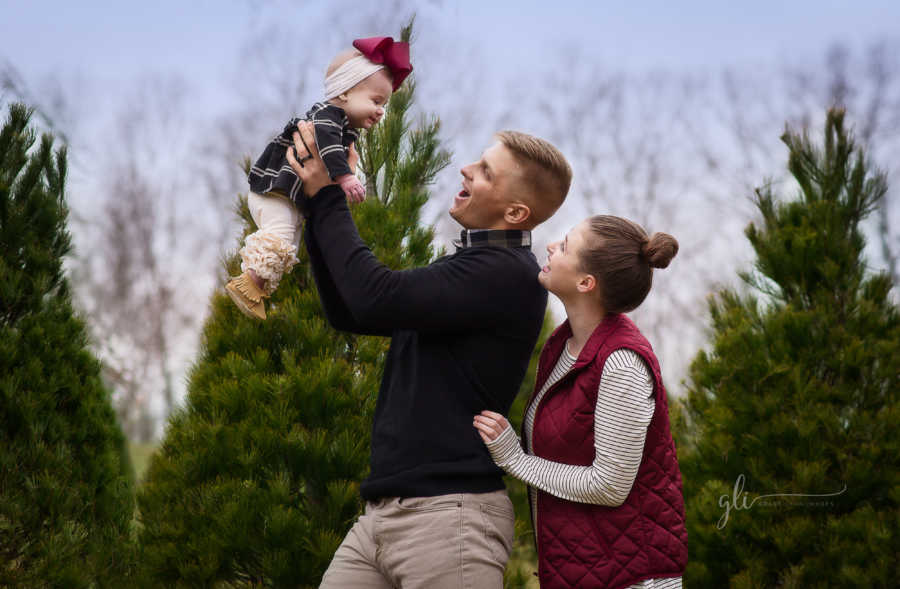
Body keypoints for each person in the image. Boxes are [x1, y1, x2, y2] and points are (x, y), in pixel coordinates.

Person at [285, 121, 572, 588]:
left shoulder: (504, 274)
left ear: (516, 211)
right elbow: (351, 310)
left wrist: (327, 197)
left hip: (449, 522)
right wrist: (316, 205)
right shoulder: (473, 266)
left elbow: (374, 296)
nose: (466, 169)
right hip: (382, 517)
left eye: (485, 172)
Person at [473, 216, 688, 589]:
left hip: (629, 579)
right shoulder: (563, 346)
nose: (551, 246)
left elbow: (609, 485)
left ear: (586, 283)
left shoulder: (621, 363)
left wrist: (515, 460)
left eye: (565, 246)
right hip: (583, 570)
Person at [225, 36, 412, 320]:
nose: (380, 110)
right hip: (276, 190)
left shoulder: (342, 128)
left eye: (384, 104)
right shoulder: (328, 117)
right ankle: (248, 285)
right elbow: (328, 148)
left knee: (287, 245)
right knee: (281, 237)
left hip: (287, 196)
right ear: (345, 93)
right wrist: (345, 178)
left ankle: (255, 289)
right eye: (376, 100)